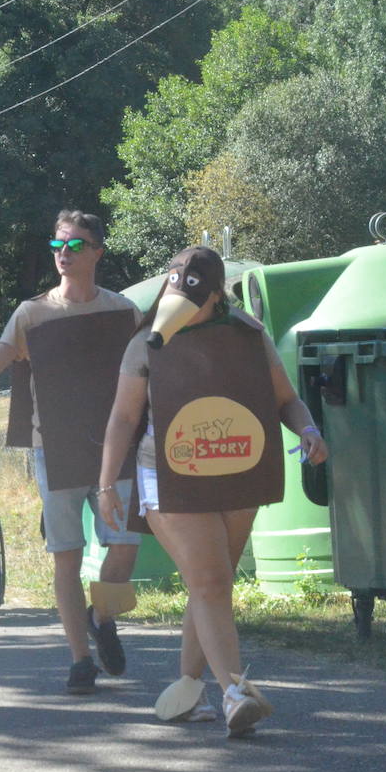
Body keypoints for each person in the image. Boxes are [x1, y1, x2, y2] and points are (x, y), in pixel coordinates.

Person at [96, 246, 328, 737]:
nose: (186, 306)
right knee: (212, 584)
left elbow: (286, 400)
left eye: (197, 299)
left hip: (237, 470)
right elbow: (122, 417)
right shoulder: (145, 341)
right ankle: (235, 693)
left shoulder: (248, 334)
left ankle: (186, 689)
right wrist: (105, 484)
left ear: (218, 294)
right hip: (168, 475)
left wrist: (309, 431)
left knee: (211, 586)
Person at [0, 210, 142, 695]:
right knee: (67, 557)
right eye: (57, 245)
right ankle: (80, 660)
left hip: (114, 451)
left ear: (98, 251)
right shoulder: (31, 313)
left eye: (75, 246)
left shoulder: (123, 311)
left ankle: (102, 618)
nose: (63, 254)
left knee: (123, 548)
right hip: (53, 450)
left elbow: (150, 372)